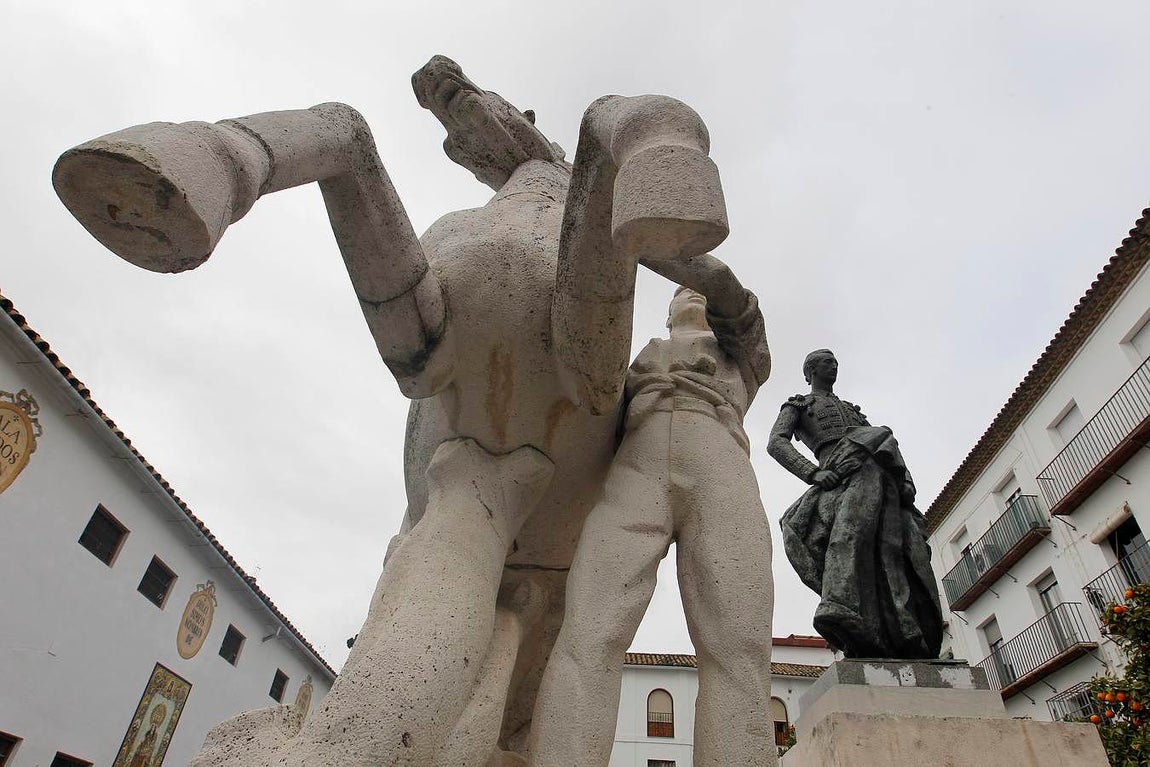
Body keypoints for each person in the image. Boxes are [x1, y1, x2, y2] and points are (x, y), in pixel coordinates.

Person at [528, 254, 776, 767]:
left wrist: (667, 249)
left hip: (719, 462)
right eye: (680, 290)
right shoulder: (639, 356)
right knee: (588, 631)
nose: (690, 291)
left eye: (698, 291)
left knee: (739, 645)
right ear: (664, 317)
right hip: (634, 469)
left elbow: (737, 303)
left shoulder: (742, 355)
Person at [767, 349, 943, 659]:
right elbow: (776, 442)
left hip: (876, 471)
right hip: (838, 470)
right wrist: (813, 473)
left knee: (897, 546)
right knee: (854, 529)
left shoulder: (854, 411)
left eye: (835, 362)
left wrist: (905, 483)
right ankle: (843, 603)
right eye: (826, 362)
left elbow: (885, 447)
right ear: (810, 372)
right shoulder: (799, 405)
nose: (833, 366)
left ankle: (903, 625)